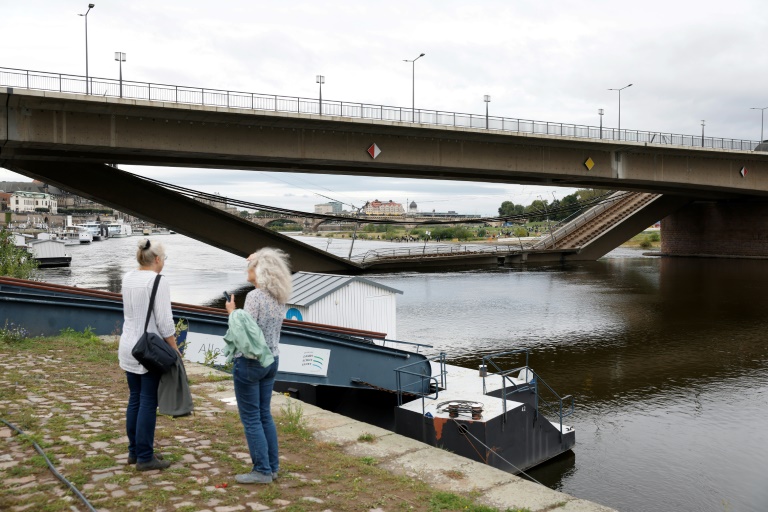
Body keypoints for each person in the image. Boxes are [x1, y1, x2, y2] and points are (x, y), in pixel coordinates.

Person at [225, 247, 292, 484]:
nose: (247, 268)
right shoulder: (278, 296)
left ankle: (262, 471)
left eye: (251, 266)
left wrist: (232, 313)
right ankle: (272, 467)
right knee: (264, 415)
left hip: (251, 363)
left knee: (251, 418)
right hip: (272, 359)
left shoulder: (254, 297)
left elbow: (245, 335)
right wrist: (257, 257)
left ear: (260, 271)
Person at [118, 238, 179, 471]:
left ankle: (134, 452)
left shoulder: (127, 277)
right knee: (147, 401)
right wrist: (174, 349)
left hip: (128, 345)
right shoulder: (157, 281)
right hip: (148, 350)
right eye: (163, 258)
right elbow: (164, 322)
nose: (164, 263)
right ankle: (145, 457)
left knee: (135, 398)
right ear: (156, 259)